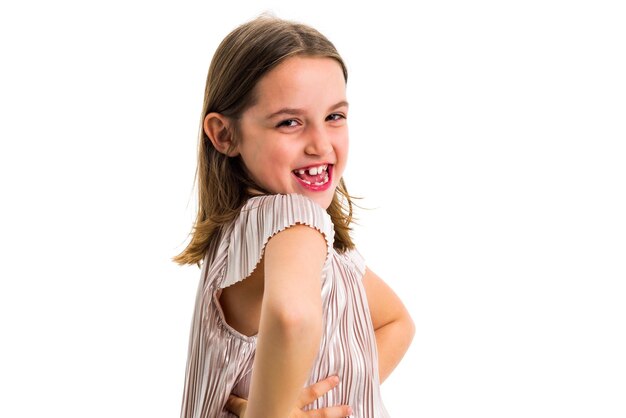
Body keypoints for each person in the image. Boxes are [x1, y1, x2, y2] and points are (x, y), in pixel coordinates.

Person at [173, 15, 415, 418]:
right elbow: (292, 317)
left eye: (334, 116)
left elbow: (394, 322)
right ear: (224, 135)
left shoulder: (243, 235)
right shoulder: (293, 220)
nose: (320, 143)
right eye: (290, 122)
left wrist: (327, 402)